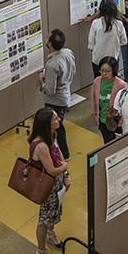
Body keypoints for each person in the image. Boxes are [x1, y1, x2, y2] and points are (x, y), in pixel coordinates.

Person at [27, 107, 71, 254]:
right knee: (44, 219)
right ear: (46, 124)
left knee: (53, 212)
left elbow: (59, 157)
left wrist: (65, 176)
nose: (58, 119)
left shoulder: (52, 135)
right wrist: (64, 168)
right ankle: (41, 252)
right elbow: (52, 170)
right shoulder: (41, 146)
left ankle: (51, 235)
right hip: (47, 187)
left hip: (56, 185)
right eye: (55, 119)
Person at [38, 28, 76, 160]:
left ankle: (64, 155)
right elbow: (73, 71)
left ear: (50, 44)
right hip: (65, 95)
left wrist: (41, 80)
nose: (46, 37)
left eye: (48, 37)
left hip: (55, 101)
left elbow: (50, 90)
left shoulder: (52, 65)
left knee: (57, 127)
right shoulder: (68, 53)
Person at [87, 0, 127, 78]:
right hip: (112, 59)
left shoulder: (96, 23)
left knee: (98, 81)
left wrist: (93, 49)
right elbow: (124, 41)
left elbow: (90, 43)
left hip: (97, 59)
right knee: (112, 83)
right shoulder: (119, 24)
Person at [91, 56, 126, 143]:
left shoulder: (121, 85)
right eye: (101, 70)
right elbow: (95, 99)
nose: (104, 74)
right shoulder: (97, 81)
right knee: (106, 143)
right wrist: (95, 114)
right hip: (102, 120)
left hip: (116, 123)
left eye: (108, 71)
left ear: (114, 70)